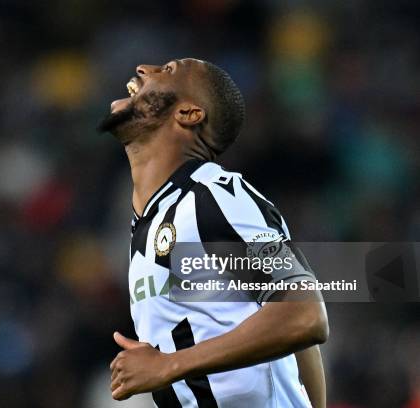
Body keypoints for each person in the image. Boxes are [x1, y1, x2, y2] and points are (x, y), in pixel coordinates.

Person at [99, 58, 328, 407]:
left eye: (169, 70)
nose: (144, 68)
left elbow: (304, 315)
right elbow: (301, 345)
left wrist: (168, 364)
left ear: (189, 114)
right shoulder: (153, 219)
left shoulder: (213, 196)